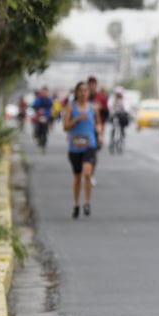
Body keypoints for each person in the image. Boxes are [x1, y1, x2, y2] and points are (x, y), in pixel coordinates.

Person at [63, 81, 102, 219]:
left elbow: (98, 124)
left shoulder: (93, 108)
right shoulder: (70, 108)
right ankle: (76, 204)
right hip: (74, 147)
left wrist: (99, 134)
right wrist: (77, 119)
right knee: (77, 177)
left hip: (89, 145)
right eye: (81, 90)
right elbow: (65, 127)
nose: (83, 93)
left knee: (87, 173)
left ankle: (87, 202)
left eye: (86, 91)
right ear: (76, 93)